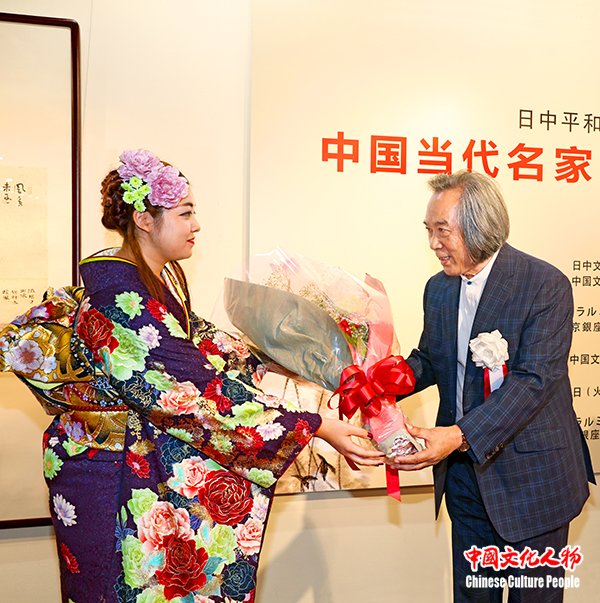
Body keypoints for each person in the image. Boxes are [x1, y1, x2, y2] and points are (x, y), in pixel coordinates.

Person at [0, 149, 384, 603]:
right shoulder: (118, 296)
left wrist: (281, 358)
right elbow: (188, 393)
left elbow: (199, 344)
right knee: (115, 588)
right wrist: (314, 426)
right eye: (184, 213)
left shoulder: (156, 281)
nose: (196, 224)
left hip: (123, 460)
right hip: (108, 476)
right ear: (144, 219)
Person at [392, 170, 595, 602]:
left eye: (442, 231)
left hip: (533, 481)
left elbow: (534, 381)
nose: (433, 244)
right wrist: (378, 383)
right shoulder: (438, 289)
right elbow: (430, 359)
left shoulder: (544, 285)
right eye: (428, 231)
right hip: (466, 481)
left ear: (478, 225)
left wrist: (457, 435)